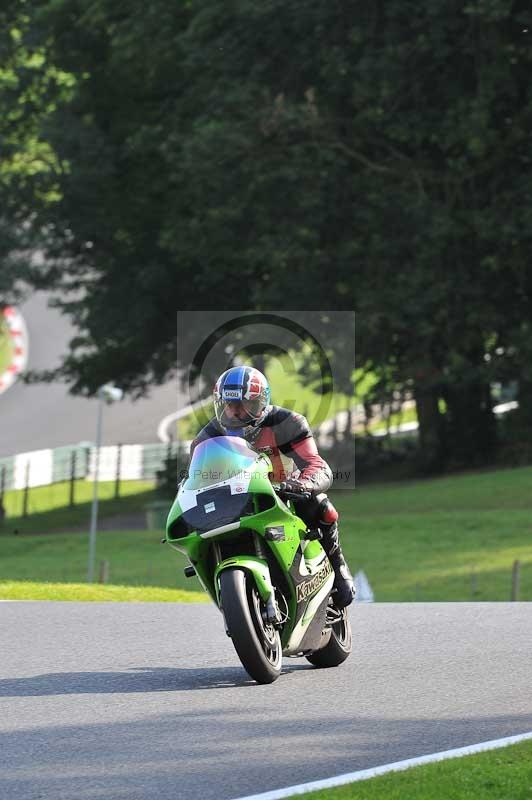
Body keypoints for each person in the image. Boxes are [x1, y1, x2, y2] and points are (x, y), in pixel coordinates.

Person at [188, 365, 355, 607]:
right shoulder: (206, 438)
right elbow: (193, 481)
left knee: (321, 506)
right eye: (229, 405)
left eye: (246, 405)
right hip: (235, 502)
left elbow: (316, 465)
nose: (235, 413)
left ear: (261, 403)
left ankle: (338, 566)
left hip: (284, 494)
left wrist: (303, 484)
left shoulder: (287, 423)